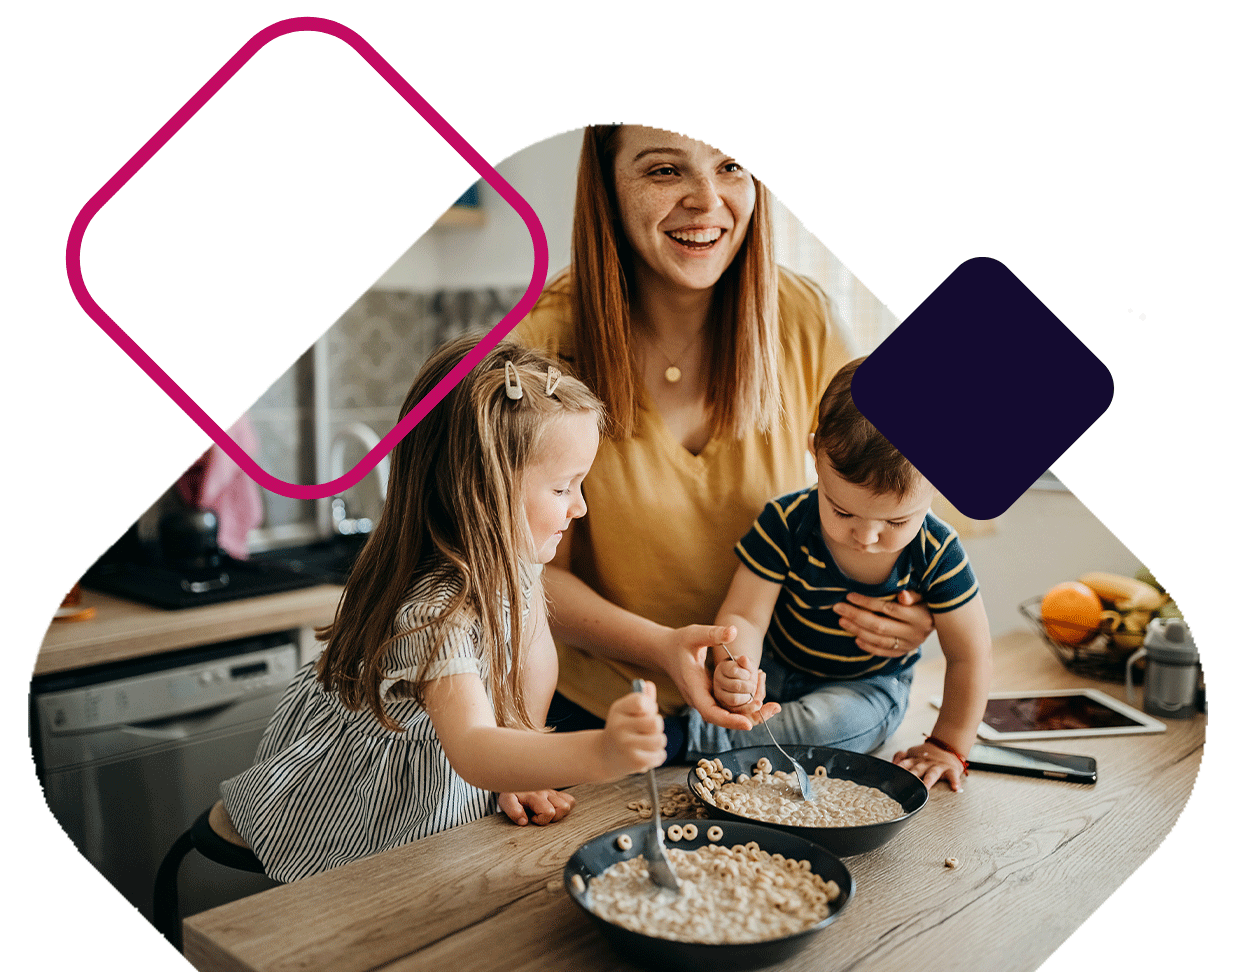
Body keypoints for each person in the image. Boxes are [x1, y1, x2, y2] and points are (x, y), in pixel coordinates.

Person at [516, 124, 937, 753]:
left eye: (733, 165)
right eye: (665, 170)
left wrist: (912, 607)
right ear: (607, 185)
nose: (708, 200)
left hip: (772, 705)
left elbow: (898, 482)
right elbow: (526, 575)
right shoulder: (542, 344)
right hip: (603, 721)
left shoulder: (803, 315)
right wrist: (659, 647)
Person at [220, 337, 668, 882]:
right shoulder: (434, 613)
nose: (580, 506)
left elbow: (534, 661)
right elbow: (475, 748)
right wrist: (601, 753)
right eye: (562, 488)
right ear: (486, 492)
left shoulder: (517, 562)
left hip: (449, 785)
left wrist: (519, 759)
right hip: (357, 814)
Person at [710, 358, 994, 789]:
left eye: (895, 522)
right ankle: (721, 728)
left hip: (867, 684)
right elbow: (745, 616)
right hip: (778, 666)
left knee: (836, 727)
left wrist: (948, 745)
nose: (865, 536)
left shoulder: (937, 551)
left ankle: (694, 739)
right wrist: (741, 672)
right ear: (816, 456)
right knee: (708, 682)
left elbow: (969, 655)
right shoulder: (786, 521)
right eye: (841, 510)